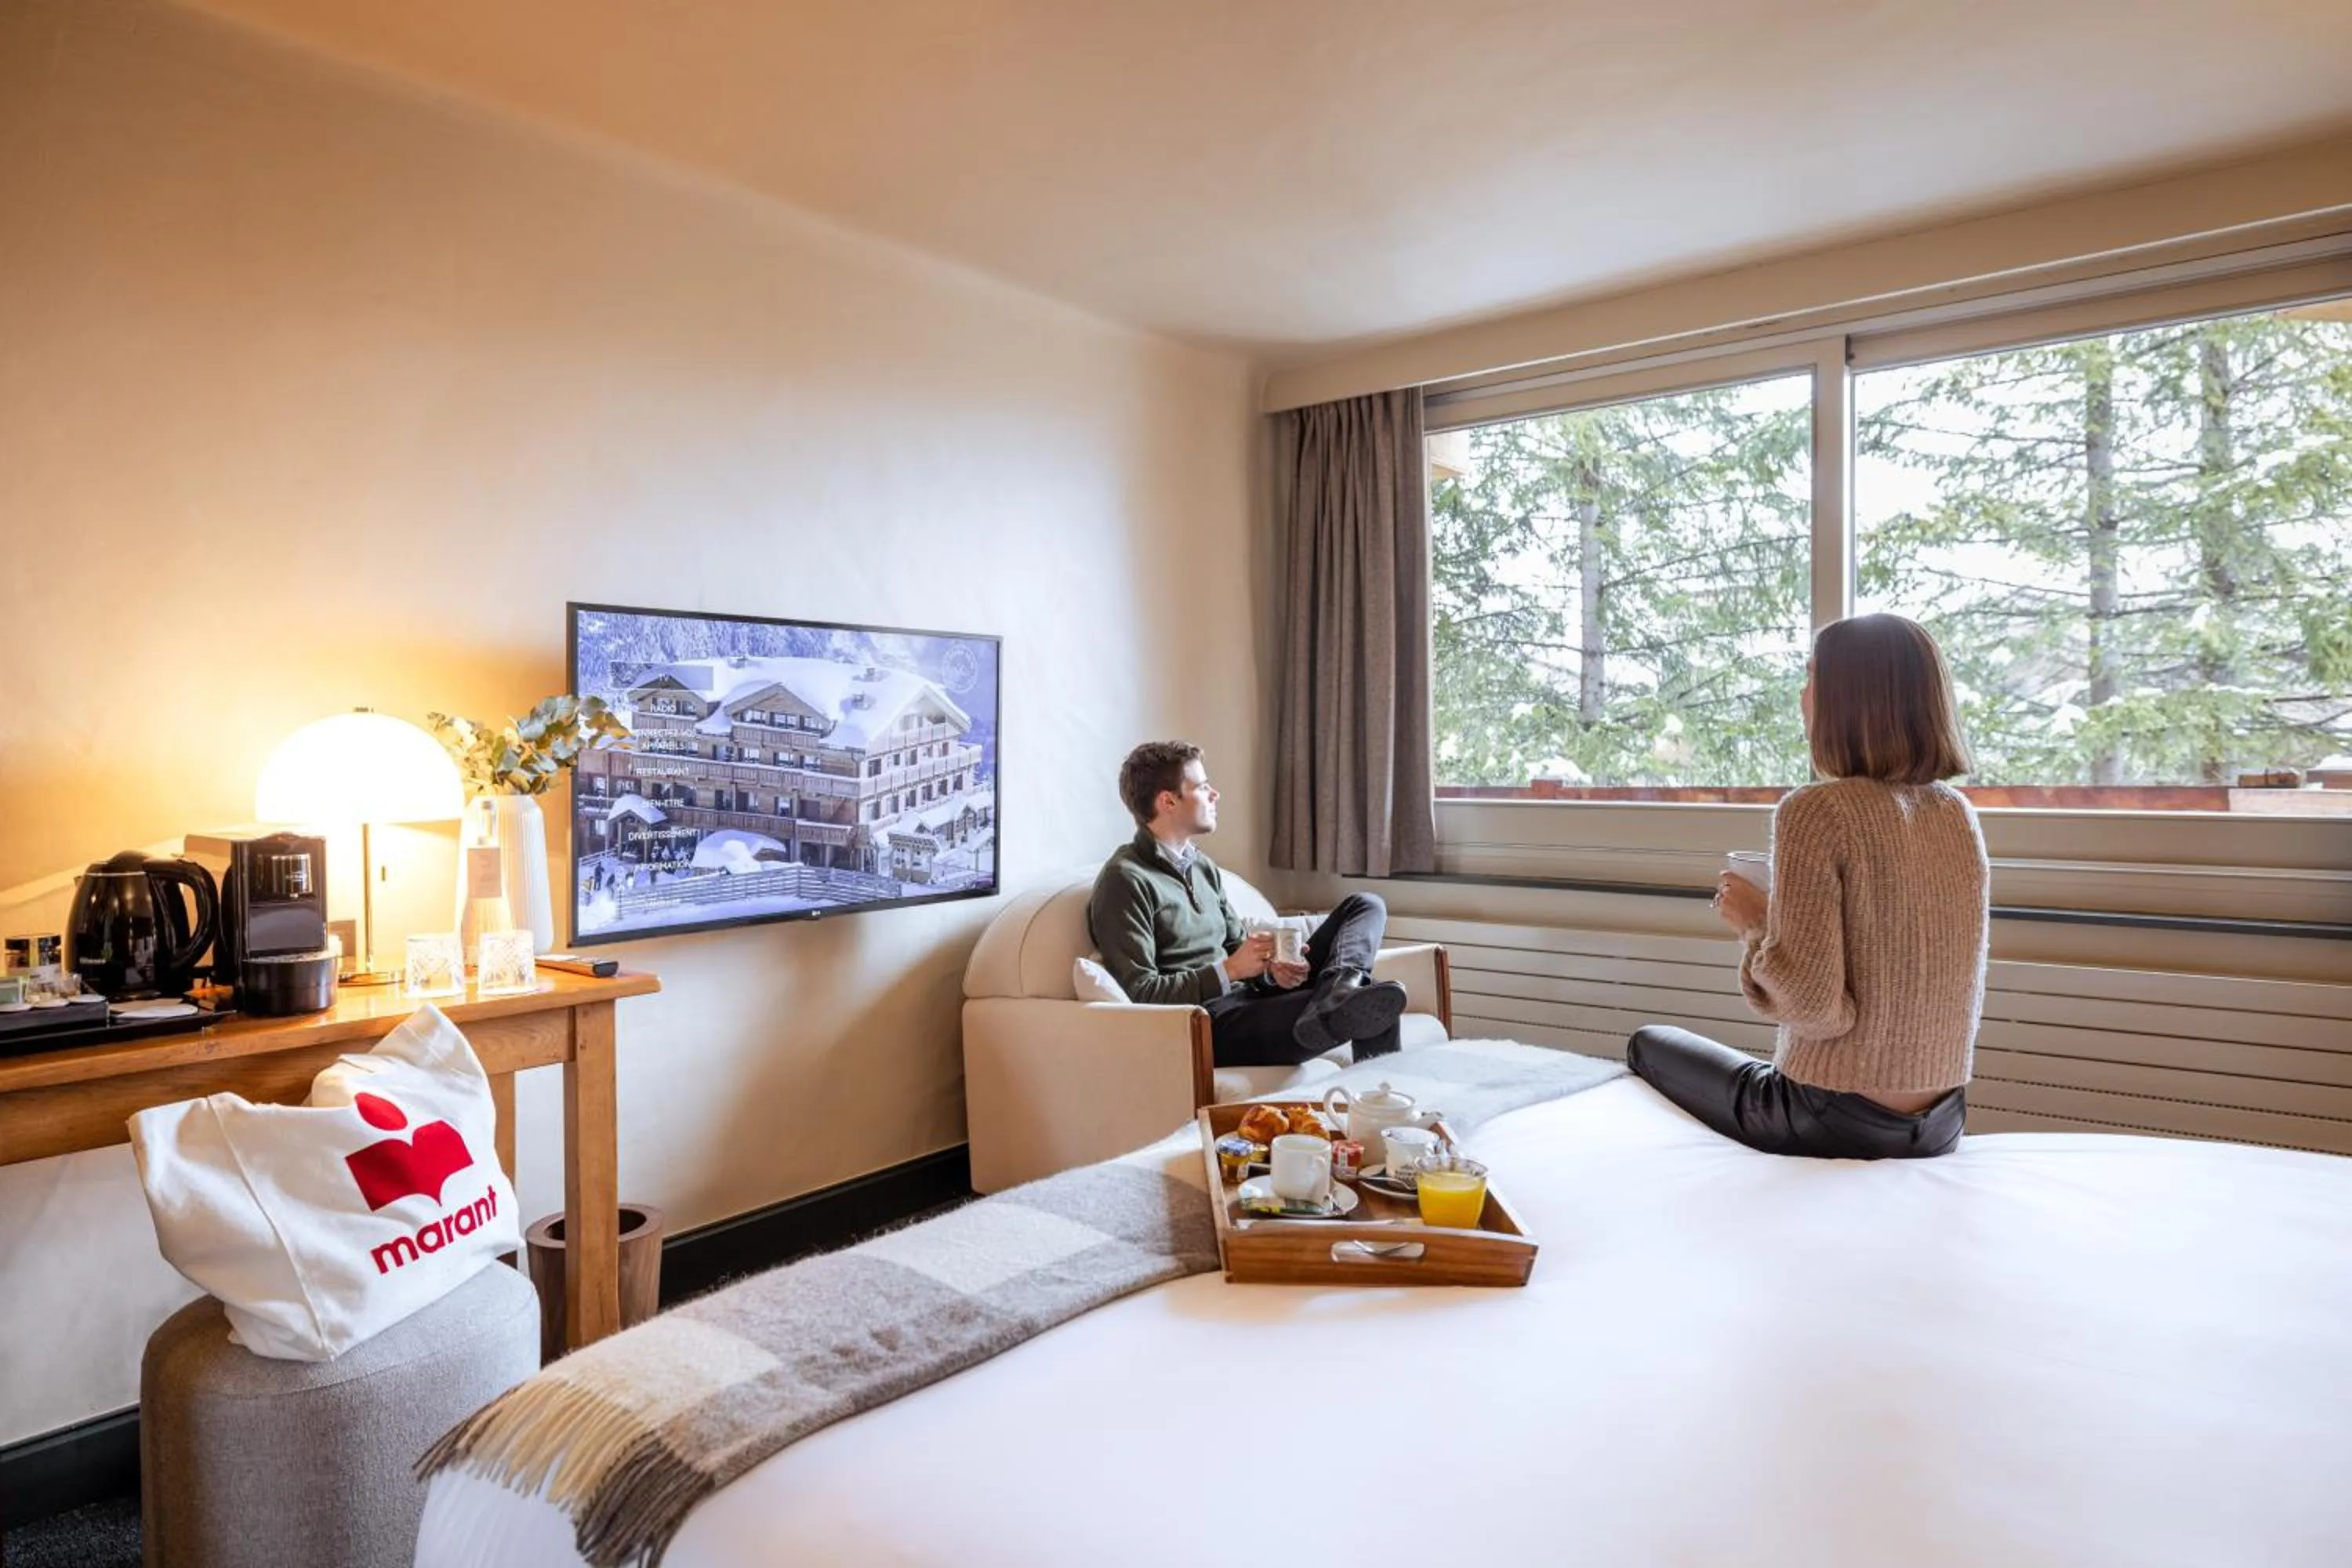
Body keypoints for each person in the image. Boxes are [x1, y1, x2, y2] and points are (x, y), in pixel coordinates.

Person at [1626, 613, 1990, 1160]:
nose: (1803, 696)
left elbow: (1818, 1011)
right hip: (1941, 1124)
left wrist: (1756, 925)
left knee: (1647, 1045)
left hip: (1831, 1119)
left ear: (1848, 698)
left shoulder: (1815, 812)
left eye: (1811, 676)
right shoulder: (1956, 813)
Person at [1088, 741, 1409, 1068]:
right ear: (1168, 800)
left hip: (1250, 999)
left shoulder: (1202, 868)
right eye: (1201, 786)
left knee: (1365, 905)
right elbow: (1142, 993)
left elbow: (1235, 945)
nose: (1215, 794)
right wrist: (1230, 969)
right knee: (1373, 999)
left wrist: (1272, 971)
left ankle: (1337, 990)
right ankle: (1345, 1022)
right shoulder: (1125, 880)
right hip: (1211, 1022)